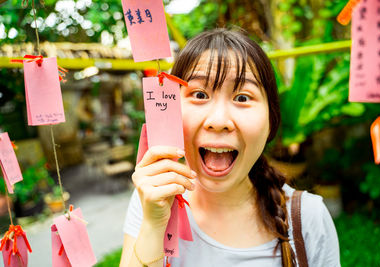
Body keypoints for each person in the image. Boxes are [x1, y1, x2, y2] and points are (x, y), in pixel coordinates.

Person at [120, 28, 340, 267]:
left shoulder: (308, 218)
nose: (219, 121)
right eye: (200, 94)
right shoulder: (153, 199)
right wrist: (153, 225)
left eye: (243, 98)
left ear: (270, 122)